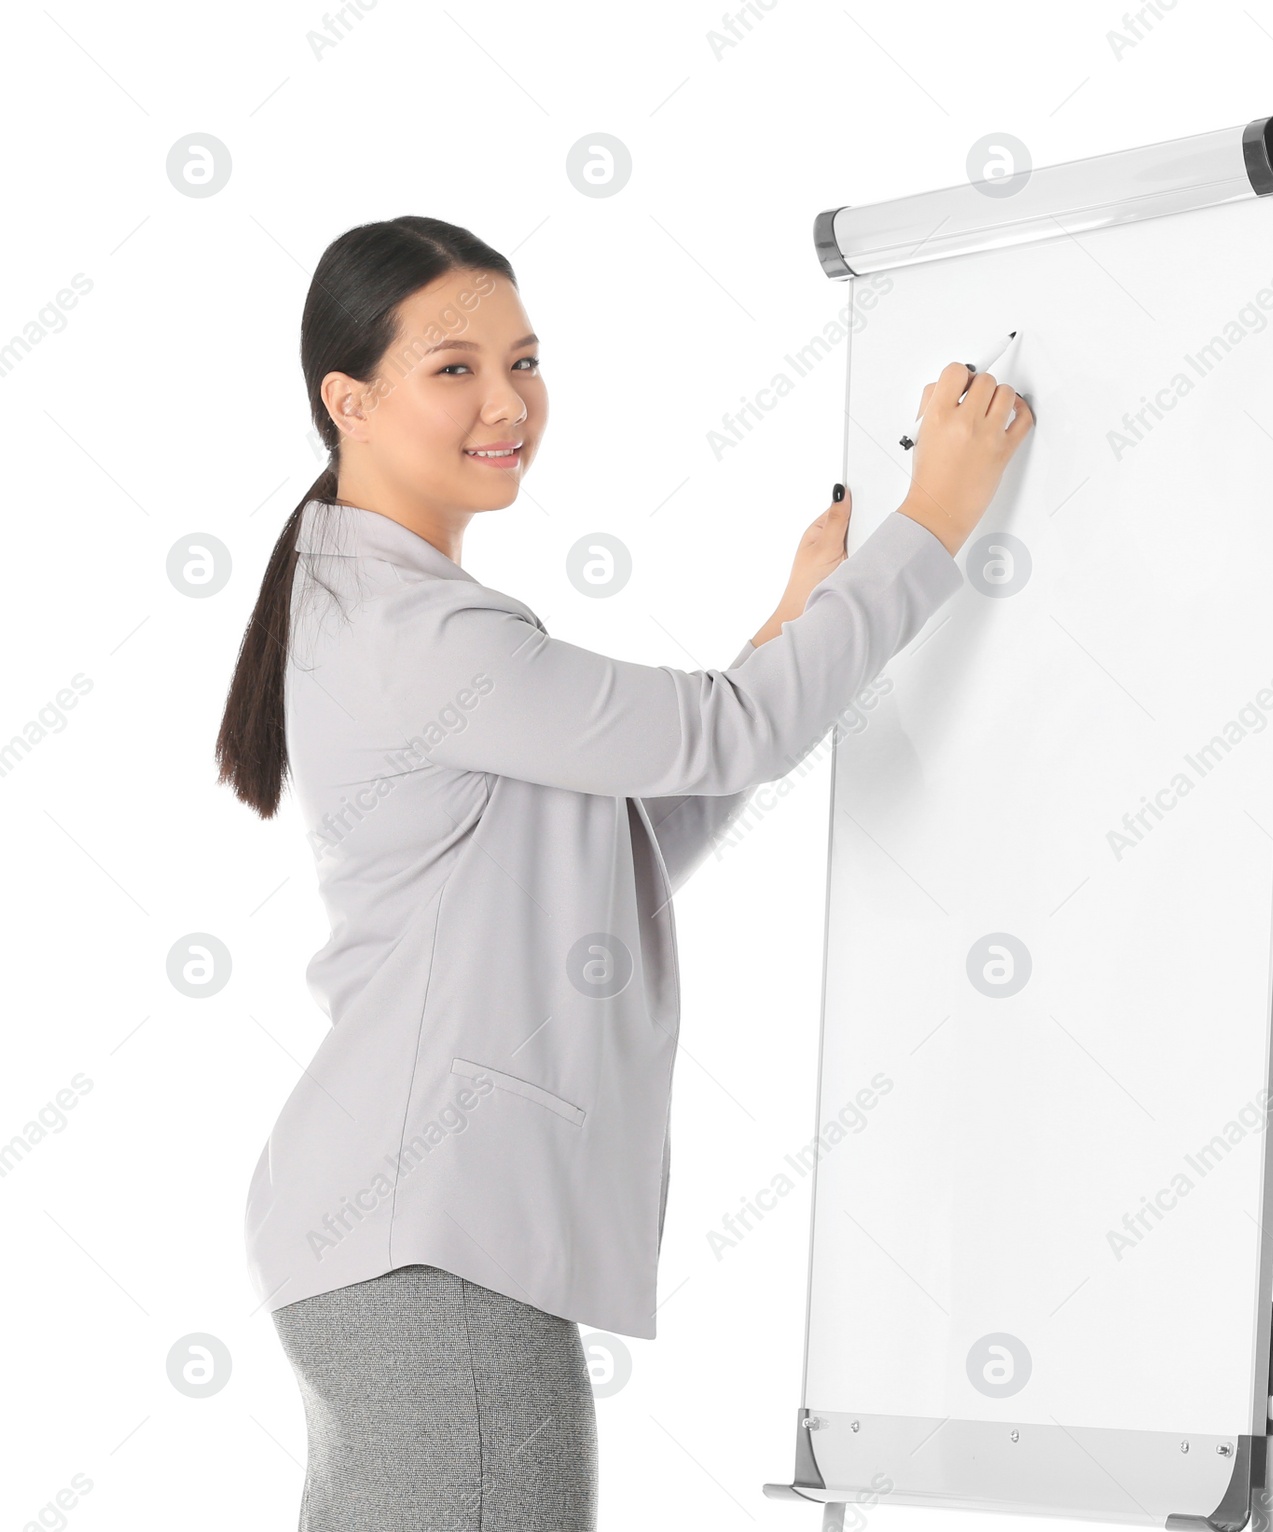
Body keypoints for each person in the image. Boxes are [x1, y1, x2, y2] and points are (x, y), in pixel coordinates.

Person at [215, 214, 1032, 1531]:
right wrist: (932, 520)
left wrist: (794, 622)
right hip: (432, 1251)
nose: (507, 403)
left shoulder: (380, 608)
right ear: (346, 400)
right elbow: (730, 727)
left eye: (524, 361)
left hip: (394, 1248)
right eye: (455, 369)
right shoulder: (416, 631)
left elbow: (629, 834)